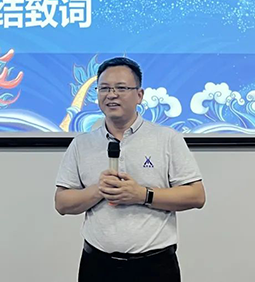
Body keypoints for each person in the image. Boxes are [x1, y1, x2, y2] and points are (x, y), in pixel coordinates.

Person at [55, 57, 205, 282]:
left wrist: (142, 195)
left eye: (121, 88)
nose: (111, 94)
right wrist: (98, 191)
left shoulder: (167, 139)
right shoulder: (81, 144)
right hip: (97, 265)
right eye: (104, 88)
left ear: (139, 95)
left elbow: (196, 196)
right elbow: (61, 203)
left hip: (155, 266)